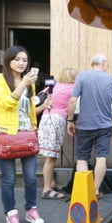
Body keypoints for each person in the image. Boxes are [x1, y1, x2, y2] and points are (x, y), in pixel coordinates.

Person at [0, 46, 49, 223]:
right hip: (6, 134)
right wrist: (23, 84)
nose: (22, 63)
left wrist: (44, 105)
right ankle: (11, 214)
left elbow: (28, 110)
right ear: (8, 61)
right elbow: (7, 104)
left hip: (27, 134)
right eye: (17, 59)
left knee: (31, 178)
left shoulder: (29, 84)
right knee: (9, 179)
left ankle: (31, 210)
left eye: (24, 60)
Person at [66, 53, 112, 198]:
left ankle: (83, 192)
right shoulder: (111, 80)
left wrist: (69, 120)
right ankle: (96, 190)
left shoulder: (82, 77)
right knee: (101, 158)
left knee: (81, 159)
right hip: (105, 126)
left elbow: (73, 101)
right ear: (103, 63)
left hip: (84, 125)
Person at [38, 67, 78, 200]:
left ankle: (52, 183)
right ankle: (47, 190)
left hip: (45, 119)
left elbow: (38, 98)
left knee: (50, 154)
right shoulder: (72, 88)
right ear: (73, 78)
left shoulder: (54, 86)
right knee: (51, 157)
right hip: (56, 121)